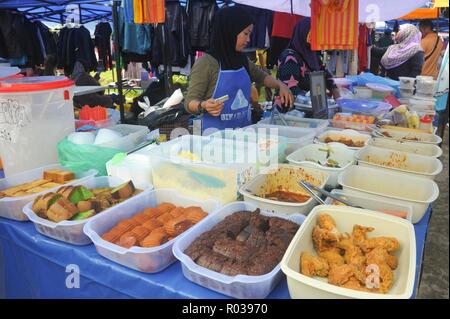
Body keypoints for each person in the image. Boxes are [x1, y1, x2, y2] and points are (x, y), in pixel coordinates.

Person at [184, 6, 293, 134]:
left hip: (243, 135)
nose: (248, 39)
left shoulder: (241, 59)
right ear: (230, 31)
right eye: (246, 34)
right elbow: (189, 102)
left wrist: (280, 85)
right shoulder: (206, 63)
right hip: (213, 139)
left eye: (250, 34)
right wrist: (203, 105)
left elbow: (262, 77)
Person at [276, 18, 340, 100]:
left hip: (310, 106)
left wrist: (334, 89)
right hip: (290, 109)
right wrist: (318, 97)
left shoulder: (312, 55)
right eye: (312, 35)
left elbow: (324, 73)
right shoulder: (289, 58)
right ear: (303, 33)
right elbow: (291, 90)